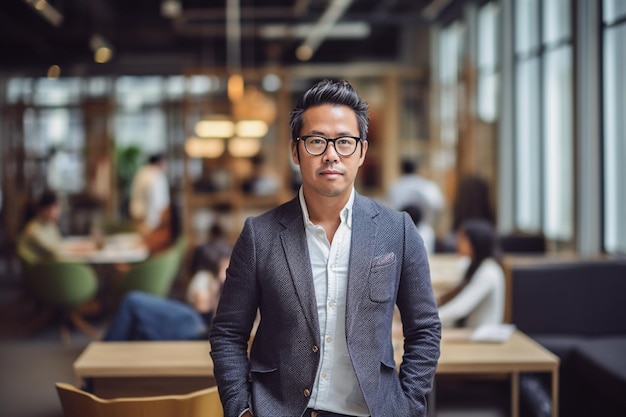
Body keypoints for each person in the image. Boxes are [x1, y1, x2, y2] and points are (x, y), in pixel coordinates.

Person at [209, 79, 441, 417]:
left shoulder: (398, 231)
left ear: (361, 151)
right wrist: (241, 408)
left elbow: (425, 329)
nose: (331, 154)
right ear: (295, 151)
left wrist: (408, 405)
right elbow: (228, 332)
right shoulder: (260, 235)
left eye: (344, 142)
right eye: (316, 141)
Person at [103, 237, 232, 341]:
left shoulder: (211, 278)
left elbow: (202, 308)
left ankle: (104, 354)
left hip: (196, 325)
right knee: (134, 308)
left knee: (132, 301)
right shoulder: (205, 277)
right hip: (195, 321)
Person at [437, 219, 505, 328]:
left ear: (477, 241)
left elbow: (460, 308)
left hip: (482, 338)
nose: (457, 242)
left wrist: (424, 323)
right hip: (469, 334)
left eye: (463, 238)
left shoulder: (489, 271)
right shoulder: (473, 265)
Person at [129, 153, 171, 253]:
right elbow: (154, 200)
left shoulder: (141, 173)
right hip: (149, 218)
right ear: (159, 163)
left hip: (138, 215)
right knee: (147, 248)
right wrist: (151, 221)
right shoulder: (155, 176)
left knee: (141, 245)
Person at [387, 158, 444, 232]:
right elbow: (438, 205)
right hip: (424, 229)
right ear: (416, 169)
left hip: (401, 229)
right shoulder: (427, 185)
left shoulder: (394, 187)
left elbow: (389, 209)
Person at [17, 190, 63, 263]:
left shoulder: (50, 225)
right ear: (44, 210)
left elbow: (59, 243)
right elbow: (53, 251)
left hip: (50, 264)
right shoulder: (33, 230)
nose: (59, 211)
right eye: (56, 208)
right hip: (43, 269)